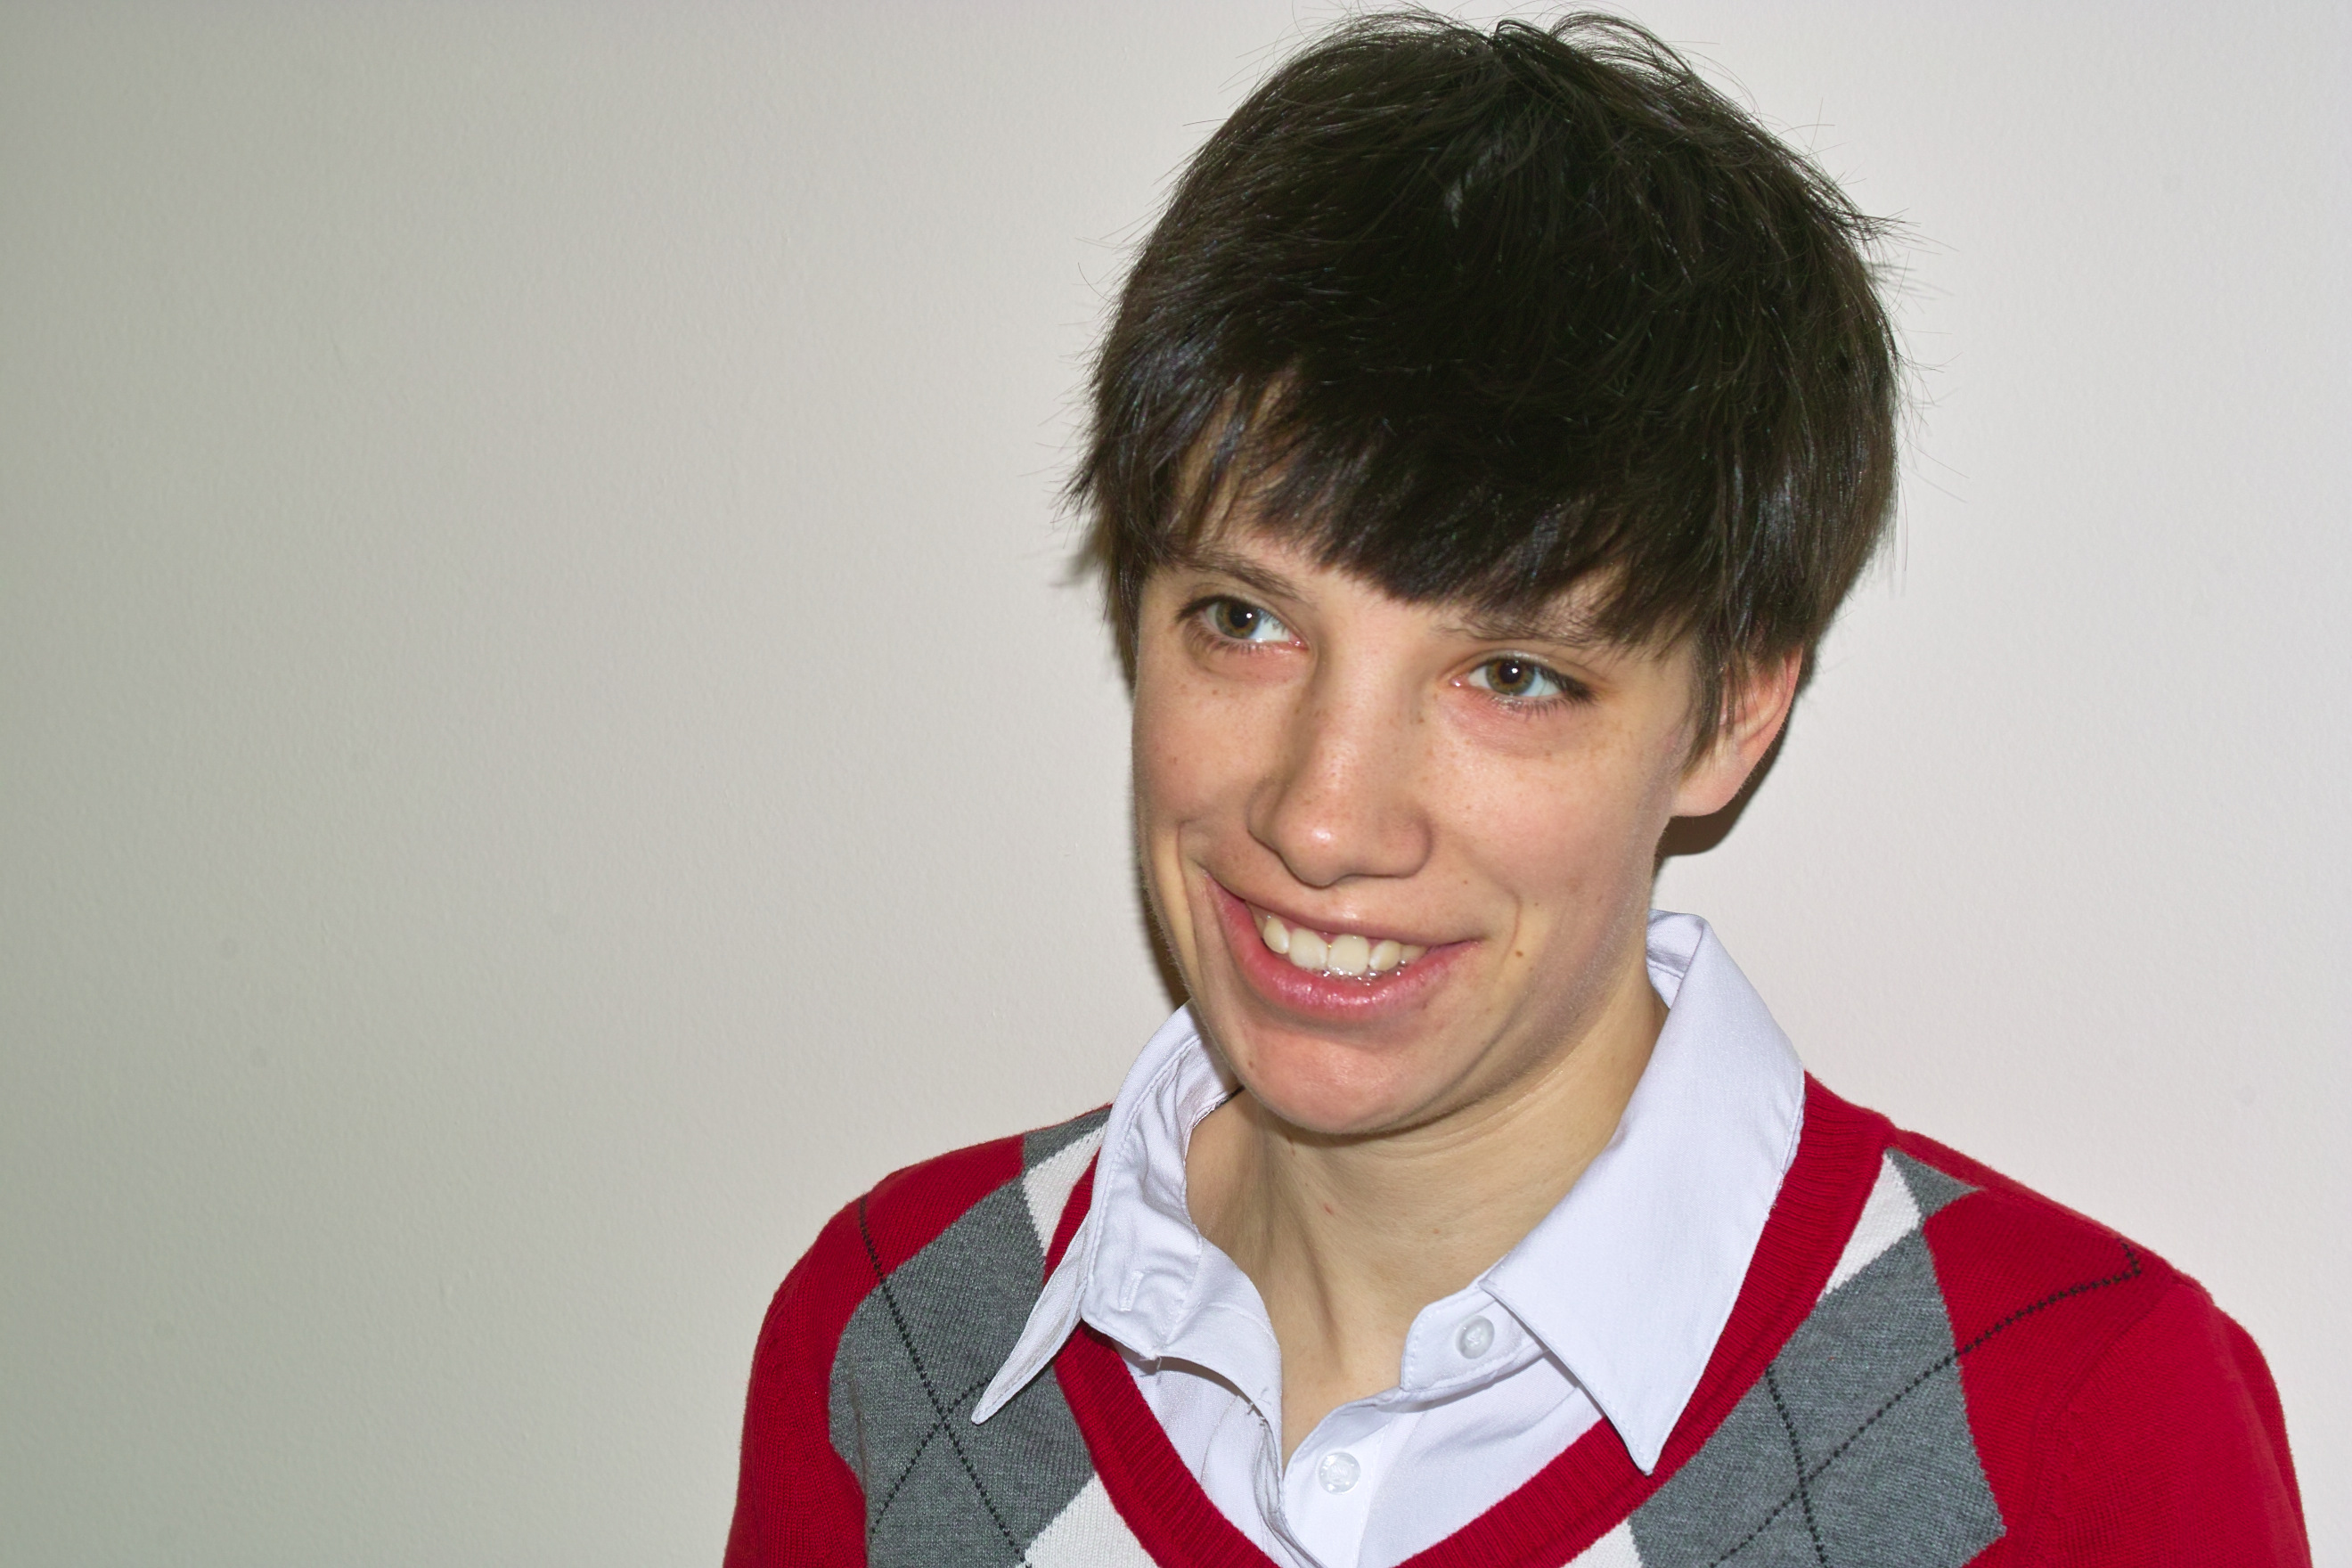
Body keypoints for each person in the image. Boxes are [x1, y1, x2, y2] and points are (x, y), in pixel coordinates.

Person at [724, 13, 2308, 1566]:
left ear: (1734, 712)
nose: (1322, 821)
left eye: (1513, 674)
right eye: (1246, 621)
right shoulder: (902, 1341)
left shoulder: (2070, 1435)